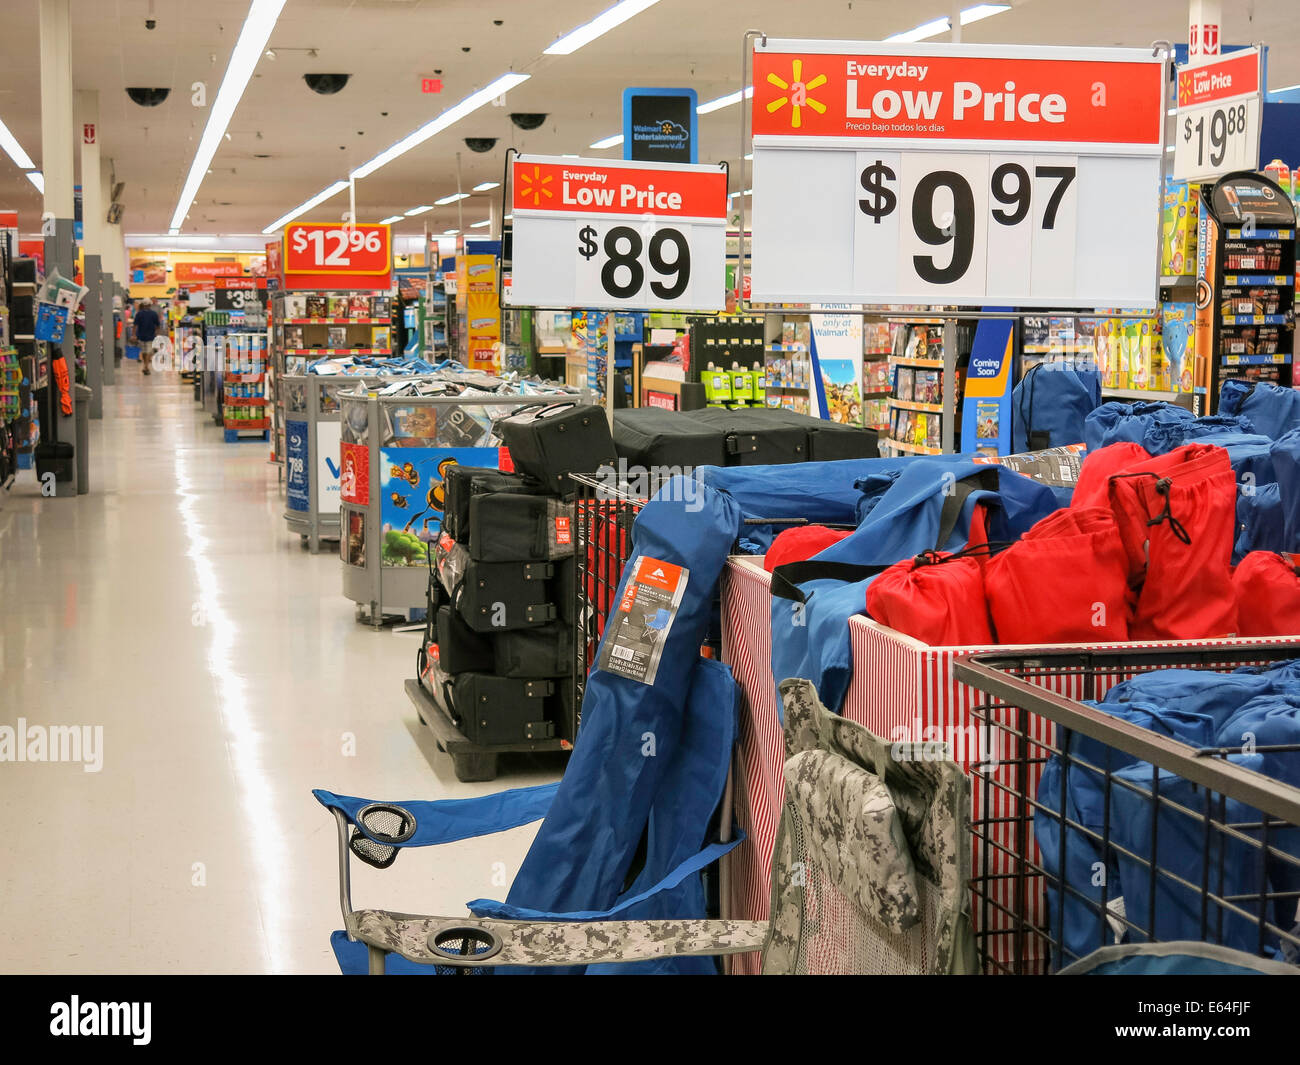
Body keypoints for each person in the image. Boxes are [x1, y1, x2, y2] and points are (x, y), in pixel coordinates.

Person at [133, 298, 161, 376]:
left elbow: (135, 325)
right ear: (150, 305)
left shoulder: (139, 314)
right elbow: (158, 326)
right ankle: (146, 366)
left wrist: (133, 335)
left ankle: (145, 366)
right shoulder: (154, 314)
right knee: (148, 351)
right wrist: (157, 334)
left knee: (144, 351)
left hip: (141, 335)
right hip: (150, 335)